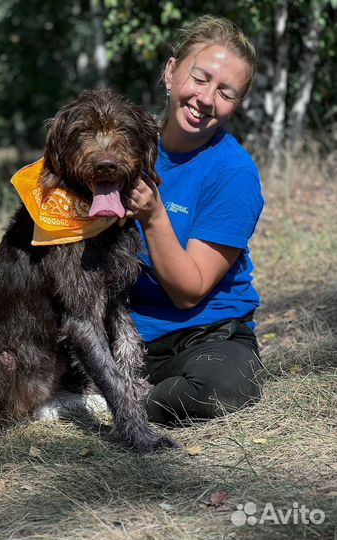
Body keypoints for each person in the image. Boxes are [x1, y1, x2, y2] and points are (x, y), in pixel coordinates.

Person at [125, 15, 265, 426]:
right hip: (123, 332)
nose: (206, 99)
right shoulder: (125, 145)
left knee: (224, 386)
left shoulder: (234, 173)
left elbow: (189, 291)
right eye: (199, 78)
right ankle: (110, 385)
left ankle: (115, 402)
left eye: (225, 92)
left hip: (204, 335)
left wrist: (153, 215)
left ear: (236, 106)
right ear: (171, 72)